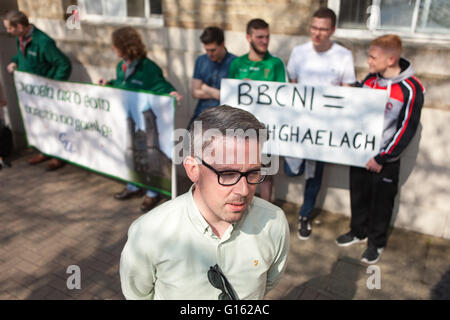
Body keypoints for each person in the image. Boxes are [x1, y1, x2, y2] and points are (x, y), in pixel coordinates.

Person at [120, 105, 290, 300]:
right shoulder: (149, 232)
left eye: (253, 173)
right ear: (193, 169)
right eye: (227, 174)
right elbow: (138, 295)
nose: (244, 190)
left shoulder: (273, 222)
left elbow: (268, 283)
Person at [336, 34, 424, 264]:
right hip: (361, 155)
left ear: (391, 59)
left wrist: (383, 157)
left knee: (381, 203)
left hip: (385, 161)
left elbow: (407, 128)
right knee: (358, 195)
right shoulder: (370, 80)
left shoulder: (411, 89)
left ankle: (376, 243)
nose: (369, 61)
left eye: (373, 57)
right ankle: (358, 231)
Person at [285, 8, 356, 240]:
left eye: (323, 29)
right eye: (314, 27)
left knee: (314, 174)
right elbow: (292, 85)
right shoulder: (299, 52)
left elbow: (348, 92)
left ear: (332, 30)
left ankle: (305, 214)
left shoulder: (343, 55)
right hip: (298, 124)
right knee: (290, 167)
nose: (317, 33)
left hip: (324, 128)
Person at [98, 27, 182, 213]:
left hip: (147, 120)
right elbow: (123, 85)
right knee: (131, 152)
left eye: (115, 45)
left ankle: (153, 193)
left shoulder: (148, 67)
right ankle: (133, 186)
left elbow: (161, 86)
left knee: (149, 153)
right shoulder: (122, 66)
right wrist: (109, 84)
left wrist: (171, 94)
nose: (113, 48)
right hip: (129, 118)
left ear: (124, 46)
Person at [3, 10, 72, 171]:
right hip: (30, 94)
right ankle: (44, 150)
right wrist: (14, 62)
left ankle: (58, 156)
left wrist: (51, 84)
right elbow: (21, 57)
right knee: (39, 123)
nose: (7, 31)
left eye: (9, 28)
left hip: (45, 92)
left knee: (53, 124)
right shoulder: (20, 38)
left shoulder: (43, 42)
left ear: (19, 26)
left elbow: (64, 64)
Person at [228, 18, 287, 203]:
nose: (265, 41)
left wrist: (259, 88)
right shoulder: (237, 64)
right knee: (239, 169)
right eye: (260, 37)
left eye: (267, 37)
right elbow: (230, 95)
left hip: (267, 130)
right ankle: (239, 204)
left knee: (266, 174)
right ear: (248, 37)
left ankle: (268, 209)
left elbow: (283, 97)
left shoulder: (276, 64)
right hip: (240, 129)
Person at [189, 26, 235, 127]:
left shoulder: (235, 63)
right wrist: (218, 93)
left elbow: (232, 96)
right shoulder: (201, 61)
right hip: (201, 114)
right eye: (207, 50)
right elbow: (195, 92)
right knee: (186, 141)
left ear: (222, 44)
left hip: (224, 118)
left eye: (213, 50)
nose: (210, 54)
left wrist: (205, 87)